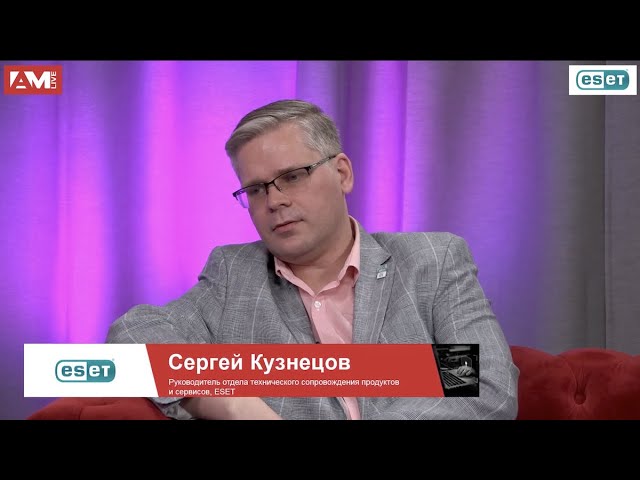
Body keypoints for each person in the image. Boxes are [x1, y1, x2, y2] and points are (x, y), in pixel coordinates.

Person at [106, 99, 519, 420]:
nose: (274, 201)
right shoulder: (235, 273)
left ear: (342, 174)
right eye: (255, 189)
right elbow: (135, 332)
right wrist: (233, 402)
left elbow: (488, 387)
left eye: (292, 176)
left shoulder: (433, 260)